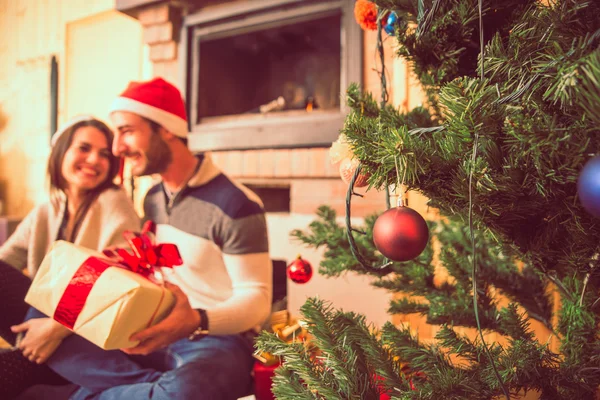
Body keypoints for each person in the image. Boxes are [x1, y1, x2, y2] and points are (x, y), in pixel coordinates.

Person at [35, 77, 273, 400]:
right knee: (38, 312)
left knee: (184, 391)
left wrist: (196, 321)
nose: (117, 148)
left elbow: (257, 301)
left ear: (167, 129)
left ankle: (87, 394)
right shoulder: (154, 198)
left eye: (127, 131)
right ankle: (148, 387)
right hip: (155, 324)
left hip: (219, 338)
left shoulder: (237, 204)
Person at [0, 115, 141, 399]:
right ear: (62, 150)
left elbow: (119, 283)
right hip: (42, 325)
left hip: (87, 339)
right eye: (84, 148)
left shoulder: (115, 202)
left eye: (104, 154)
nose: (93, 160)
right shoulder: (49, 207)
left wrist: (54, 328)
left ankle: (73, 379)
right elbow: (6, 264)